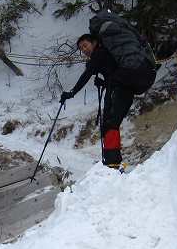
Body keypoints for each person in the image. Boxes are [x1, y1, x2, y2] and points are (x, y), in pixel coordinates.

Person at [60, 32, 156, 168]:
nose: (84, 50)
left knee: (110, 124)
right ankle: (112, 162)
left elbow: (86, 75)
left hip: (120, 89)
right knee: (109, 124)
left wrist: (72, 92)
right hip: (119, 88)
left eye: (85, 45)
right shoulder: (104, 54)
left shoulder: (99, 53)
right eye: (81, 48)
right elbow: (114, 72)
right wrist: (104, 83)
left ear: (94, 43)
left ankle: (113, 164)